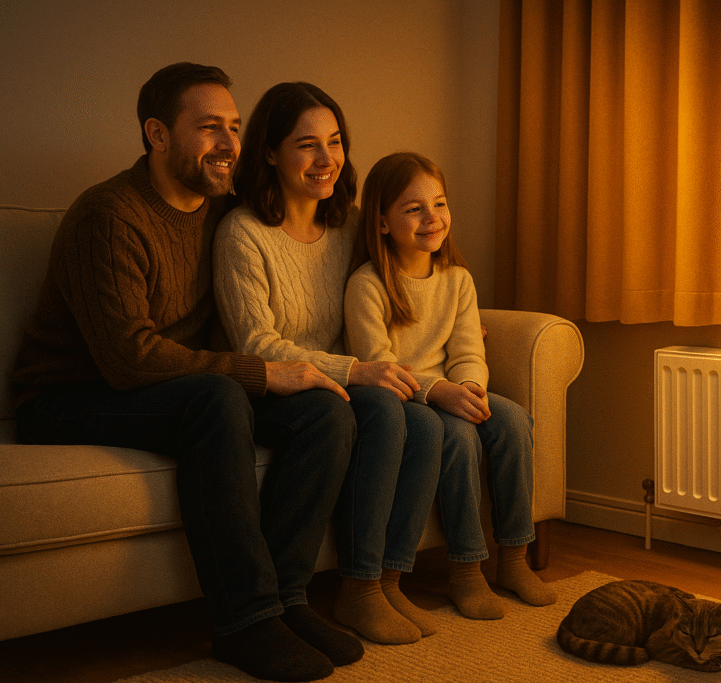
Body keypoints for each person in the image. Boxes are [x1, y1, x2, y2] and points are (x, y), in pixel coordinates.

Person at [11, 63, 362, 683]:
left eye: (233, 126)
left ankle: (285, 600)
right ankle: (244, 621)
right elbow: (129, 358)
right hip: (69, 395)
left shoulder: (224, 213)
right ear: (157, 134)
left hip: (176, 385)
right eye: (208, 128)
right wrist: (260, 372)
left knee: (324, 411)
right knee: (218, 400)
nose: (230, 143)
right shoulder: (110, 214)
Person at [214, 82, 443, 645]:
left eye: (335, 142)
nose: (327, 160)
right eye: (307, 144)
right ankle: (351, 590)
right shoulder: (242, 232)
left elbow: (397, 285)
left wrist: (445, 317)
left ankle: (388, 582)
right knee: (382, 414)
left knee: (422, 419)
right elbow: (256, 343)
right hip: (268, 391)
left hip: (339, 382)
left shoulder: (351, 226)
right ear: (269, 152)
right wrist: (356, 372)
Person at [344, 152, 558, 621]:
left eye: (439, 204)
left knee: (514, 421)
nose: (431, 218)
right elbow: (380, 364)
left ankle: (515, 559)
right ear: (382, 223)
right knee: (458, 437)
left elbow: (467, 350)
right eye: (413, 209)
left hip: (452, 389)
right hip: (406, 396)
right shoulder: (368, 284)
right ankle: (466, 571)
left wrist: (471, 388)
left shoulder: (458, 280)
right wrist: (439, 392)